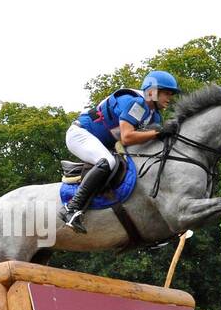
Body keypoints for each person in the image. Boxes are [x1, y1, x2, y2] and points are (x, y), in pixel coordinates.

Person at [58, 70, 181, 233]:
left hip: (102, 142)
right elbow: (128, 137)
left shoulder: (154, 116)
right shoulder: (137, 104)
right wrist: (159, 132)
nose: (169, 98)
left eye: (171, 94)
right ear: (152, 92)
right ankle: (71, 209)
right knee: (108, 162)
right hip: (80, 134)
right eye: (166, 93)